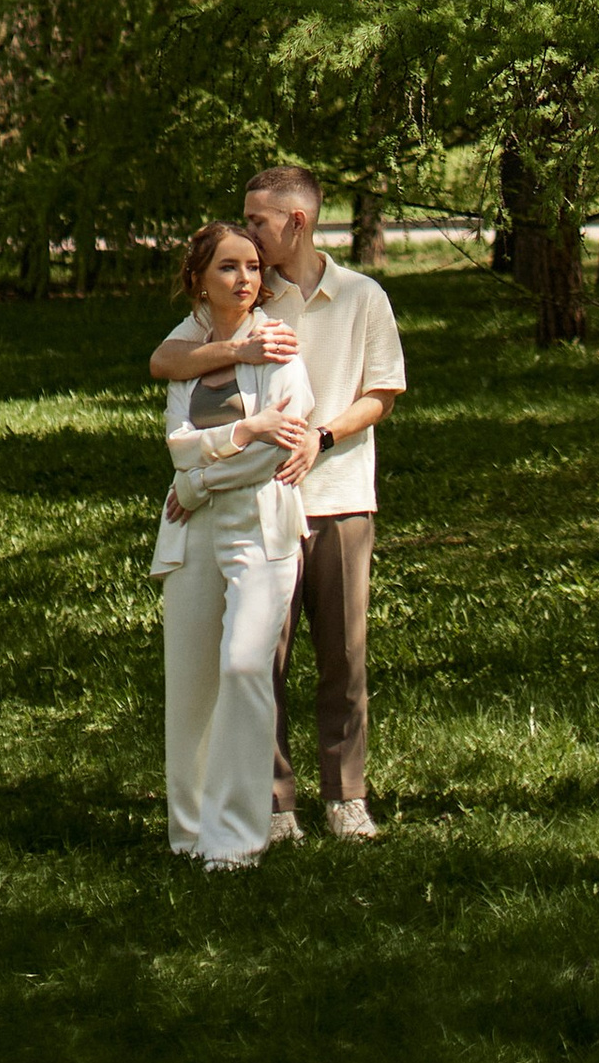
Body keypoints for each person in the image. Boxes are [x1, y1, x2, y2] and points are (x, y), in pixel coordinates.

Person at [149, 160, 406, 837]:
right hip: (260, 503)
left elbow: (380, 394)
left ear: (296, 221)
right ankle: (273, 799)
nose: (250, 240)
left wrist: (321, 436)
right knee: (263, 653)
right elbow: (166, 363)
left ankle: (346, 796)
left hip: (341, 495)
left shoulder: (361, 298)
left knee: (344, 655)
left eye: (258, 220)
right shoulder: (246, 299)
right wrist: (199, 479)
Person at [152, 220, 319, 867]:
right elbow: (176, 442)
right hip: (191, 532)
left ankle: (236, 840)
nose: (245, 278)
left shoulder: (279, 347)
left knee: (246, 668)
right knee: (191, 684)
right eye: (229, 267)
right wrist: (243, 432)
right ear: (199, 279)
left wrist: (201, 473)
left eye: (252, 266)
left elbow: (274, 451)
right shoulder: (188, 348)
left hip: (259, 525)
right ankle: (190, 833)